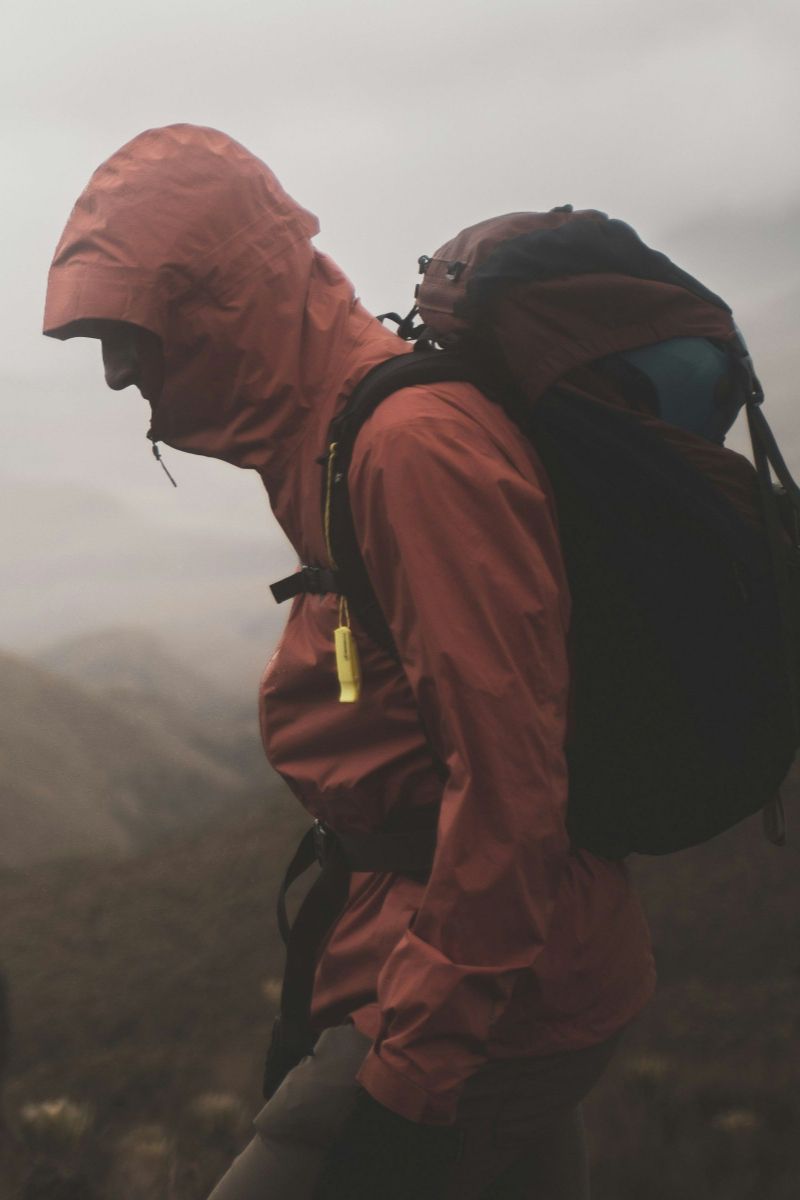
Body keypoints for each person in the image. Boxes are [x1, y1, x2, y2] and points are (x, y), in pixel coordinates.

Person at [43, 124, 656, 1199]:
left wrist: (413, 1076)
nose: (115, 372)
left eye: (130, 330)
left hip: (484, 997)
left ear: (224, 303)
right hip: (465, 971)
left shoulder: (409, 450)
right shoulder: (327, 443)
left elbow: (510, 788)